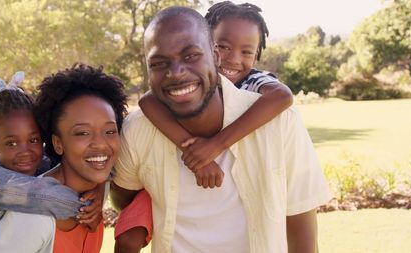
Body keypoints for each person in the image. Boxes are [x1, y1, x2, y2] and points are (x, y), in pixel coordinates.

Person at [111, 6, 332, 253]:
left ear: (214, 56)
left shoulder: (280, 123)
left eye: (191, 56)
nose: (176, 73)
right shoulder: (139, 129)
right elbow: (122, 198)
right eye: (159, 63)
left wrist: (214, 146)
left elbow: (301, 230)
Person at [0, 72, 103, 253]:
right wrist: (86, 208)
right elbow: (41, 196)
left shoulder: (34, 160)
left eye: (34, 140)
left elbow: (81, 164)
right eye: (12, 143)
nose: (25, 151)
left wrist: (98, 185)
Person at [0, 64, 128, 252]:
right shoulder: (34, 215)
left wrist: (100, 188)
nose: (101, 144)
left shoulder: (97, 186)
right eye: (83, 133)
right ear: (58, 143)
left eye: (110, 131)